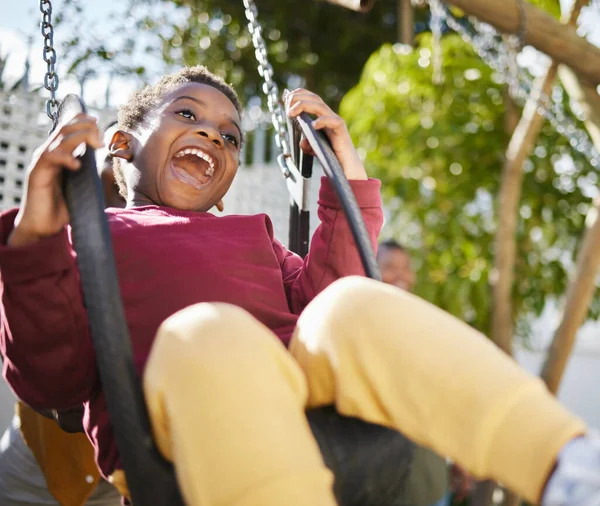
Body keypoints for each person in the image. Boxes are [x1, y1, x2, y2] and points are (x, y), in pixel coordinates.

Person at [0, 65, 597, 506]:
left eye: (229, 136)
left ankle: (563, 467)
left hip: (300, 393)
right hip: (174, 423)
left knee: (354, 303)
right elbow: (52, 377)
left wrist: (346, 177)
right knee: (210, 330)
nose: (212, 135)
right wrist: (35, 236)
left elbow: (325, 305)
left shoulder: (252, 236)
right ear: (123, 145)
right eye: (187, 115)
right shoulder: (91, 237)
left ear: (228, 178)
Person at [0, 124, 124, 506]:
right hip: (36, 464)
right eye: (115, 147)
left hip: (116, 475)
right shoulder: (60, 244)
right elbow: (58, 401)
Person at [377, 240, 472, 506]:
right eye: (389, 267)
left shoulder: (422, 323)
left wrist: (458, 454)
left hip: (428, 479)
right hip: (380, 481)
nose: (400, 275)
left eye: (406, 267)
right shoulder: (360, 323)